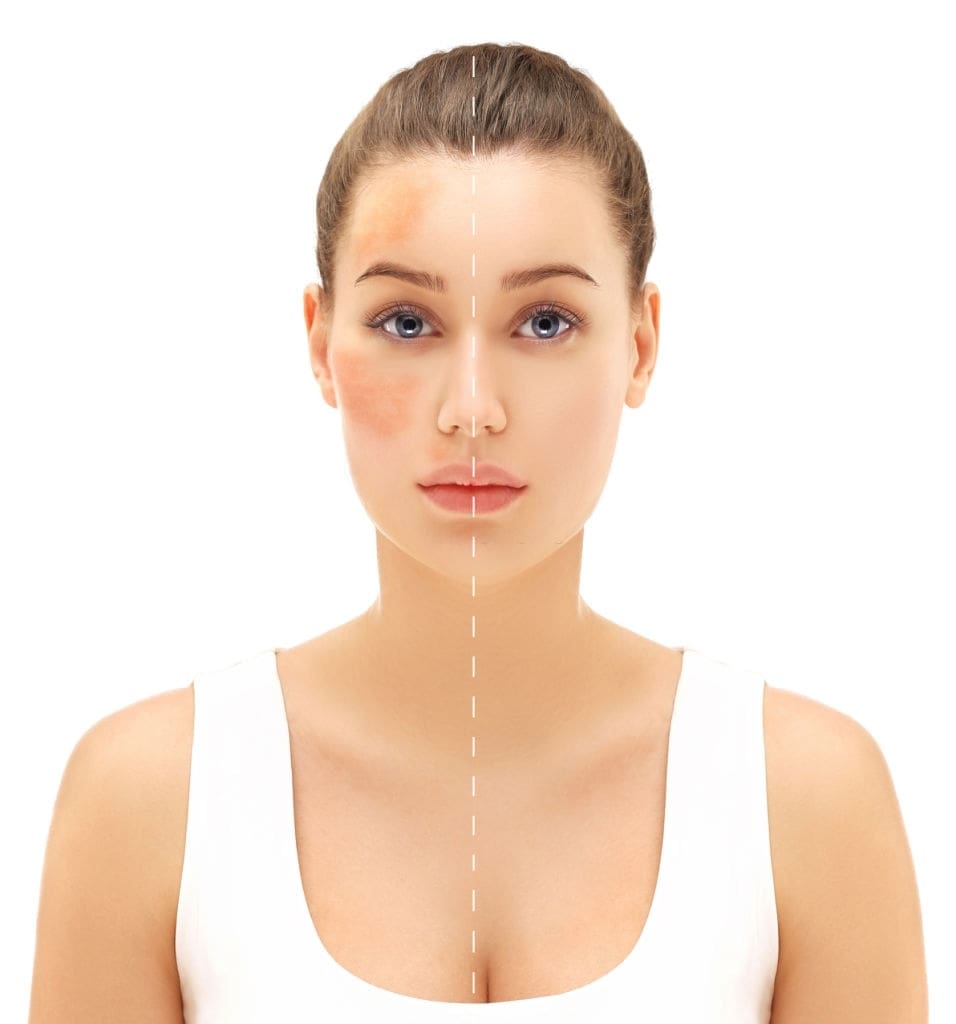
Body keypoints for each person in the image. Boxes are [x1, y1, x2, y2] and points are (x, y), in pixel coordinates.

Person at [28, 42, 928, 1022]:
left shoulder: (806, 804)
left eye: (543, 322)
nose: (470, 410)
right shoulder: (147, 803)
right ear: (318, 344)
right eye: (405, 322)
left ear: (639, 344)